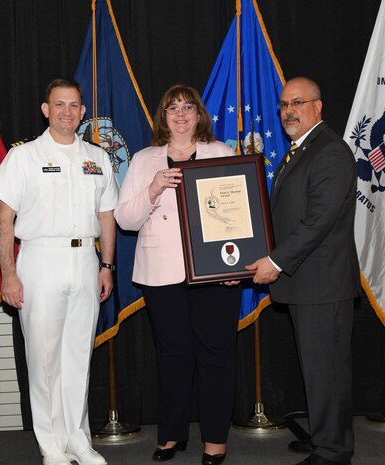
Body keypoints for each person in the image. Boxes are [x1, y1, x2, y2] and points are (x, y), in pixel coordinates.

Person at [0, 78, 117, 465]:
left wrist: (107, 265)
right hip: (39, 260)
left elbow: (106, 215)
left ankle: (78, 438)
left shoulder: (98, 157)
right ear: (45, 109)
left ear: (82, 111)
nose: (67, 112)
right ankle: (51, 447)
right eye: (59, 105)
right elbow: (3, 217)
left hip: (85, 261)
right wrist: (8, 274)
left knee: (78, 356)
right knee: (43, 360)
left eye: (74, 105)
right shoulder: (23, 156)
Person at [114, 84, 241, 465]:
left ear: (199, 114)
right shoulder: (143, 159)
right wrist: (152, 190)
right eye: (173, 108)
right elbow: (124, 219)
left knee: (216, 356)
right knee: (173, 356)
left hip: (215, 273)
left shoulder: (221, 152)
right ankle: (171, 435)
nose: (181, 114)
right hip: (161, 273)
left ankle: (215, 440)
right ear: (163, 117)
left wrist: (239, 261)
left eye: (188, 107)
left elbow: (239, 212)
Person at [247, 76, 359, 465]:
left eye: (297, 102)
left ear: (318, 106)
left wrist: (275, 262)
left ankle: (332, 451)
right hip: (308, 283)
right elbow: (286, 217)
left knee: (326, 370)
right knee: (316, 368)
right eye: (283, 104)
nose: (288, 111)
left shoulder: (329, 151)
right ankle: (326, 437)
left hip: (322, 285)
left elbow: (318, 221)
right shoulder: (300, 150)